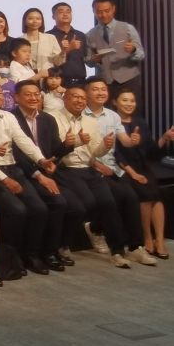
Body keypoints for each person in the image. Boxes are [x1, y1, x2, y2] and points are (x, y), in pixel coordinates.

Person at [0, 78, 62, 277]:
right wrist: (4, 179)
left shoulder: (8, 116)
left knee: (39, 209)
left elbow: (23, 140)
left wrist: (41, 160)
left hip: (14, 169)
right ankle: (7, 261)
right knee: (16, 210)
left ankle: (30, 255)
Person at [52, 84, 142, 268]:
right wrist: (76, 141)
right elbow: (53, 149)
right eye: (75, 97)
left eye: (82, 98)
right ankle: (62, 243)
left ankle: (117, 252)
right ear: (65, 98)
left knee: (109, 202)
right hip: (66, 169)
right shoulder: (53, 118)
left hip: (88, 168)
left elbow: (95, 151)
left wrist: (106, 146)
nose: (79, 101)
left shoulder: (89, 121)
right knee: (88, 203)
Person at [84, 77, 154, 267]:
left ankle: (135, 248)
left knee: (131, 198)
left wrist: (133, 140)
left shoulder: (112, 115)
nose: (100, 92)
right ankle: (117, 251)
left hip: (113, 167)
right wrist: (96, 165)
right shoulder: (81, 115)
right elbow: (80, 149)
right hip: (90, 168)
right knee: (112, 201)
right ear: (87, 93)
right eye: (95, 89)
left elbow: (125, 141)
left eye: (103, 89)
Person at [10, 80, 76, 271]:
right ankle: (34, 254)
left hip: (47, 170)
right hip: (23, 171)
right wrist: (39, 174)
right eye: (28, 94)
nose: (33, 98)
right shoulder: (11, 118)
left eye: (36, 94)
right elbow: (16, 154)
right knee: (50, 205)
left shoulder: (48, 119)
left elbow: (54, 150)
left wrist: (66, 146)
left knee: (76, 206)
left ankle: (52, 250)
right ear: (17, 97)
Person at [114, 90, 172, 259]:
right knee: (146, 196)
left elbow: (151, 150)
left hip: (143, 166)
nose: (129, 104)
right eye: (125, 100)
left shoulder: (140, 122)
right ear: (115, 102)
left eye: (132, 100)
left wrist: (164, 138)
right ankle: (146, 237)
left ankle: (159, 239)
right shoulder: (112, 122)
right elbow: (116, 154)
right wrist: (133, 174)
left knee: (157, 197)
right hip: (124, 168)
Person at [87, 0, 145, 105]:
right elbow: (88, 62)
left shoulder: (128, 28)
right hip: (105, 83)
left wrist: (133, 50)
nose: (103, 15)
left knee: (131, 111)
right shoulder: (90, 34)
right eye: (99, 12)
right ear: (94, 11)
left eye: (107, 11)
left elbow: (141, 55)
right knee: (107, 112)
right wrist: (93, 60)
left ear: (113, 9)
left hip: (129, 80)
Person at [48, 2, 89, 88]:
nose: (65, 14)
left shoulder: (81, 35)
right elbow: (49, 61)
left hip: (80, 82)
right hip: (58, 83)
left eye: (68, 11)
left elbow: (85, 57)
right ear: (53, 16)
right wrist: (68, 49)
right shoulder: (48, 36)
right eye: (61, 12)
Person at [20, 8, 63, 76]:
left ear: (41, 22)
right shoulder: (19, 40)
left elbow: (58, 62)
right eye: (31, 18)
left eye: (38, 19)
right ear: (25, 21)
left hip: (47, 78)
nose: (35, 21)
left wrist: (64, 50)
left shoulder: (50, 38)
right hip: (27, 78)